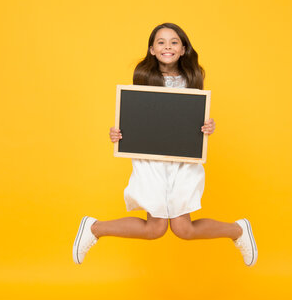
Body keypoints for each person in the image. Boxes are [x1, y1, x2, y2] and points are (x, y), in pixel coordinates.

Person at [73, 23, 257, 266]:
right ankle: (94, 228)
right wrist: (119, 132)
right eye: (161, 42)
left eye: (174, 42)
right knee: (155, 228)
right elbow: (137, 116)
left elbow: (192, 120)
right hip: (151, 160)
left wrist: (207, 126)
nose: (167, 46)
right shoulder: (143, 77)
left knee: (183, 228)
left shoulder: (193, 78)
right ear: (151, 49)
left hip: (183, 160)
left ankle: (238, 231)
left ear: (183, 49)